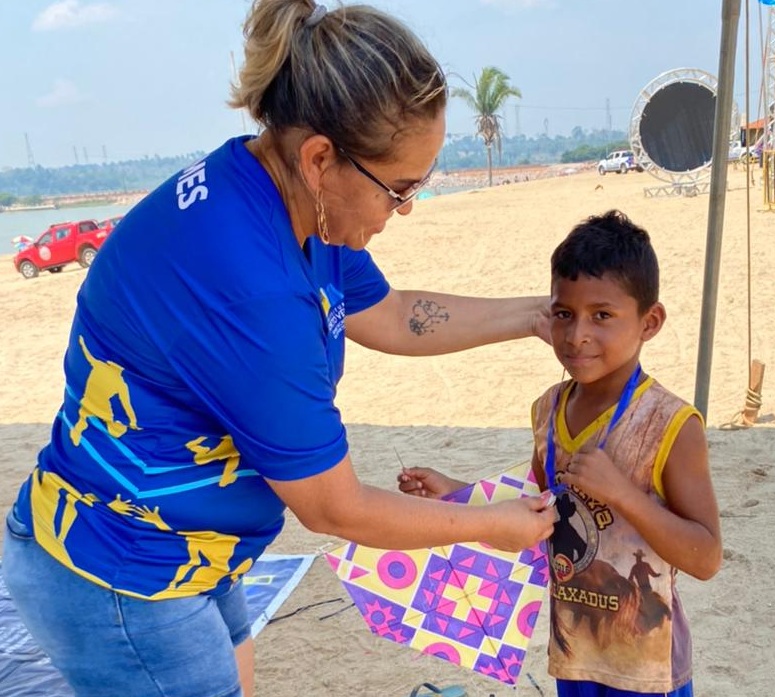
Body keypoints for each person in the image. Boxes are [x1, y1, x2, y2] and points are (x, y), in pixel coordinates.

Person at [1, 3, 556, 696]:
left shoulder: (283, 195)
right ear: (321, 157)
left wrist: (538, 316)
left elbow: (386, 312)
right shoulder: (252, 287)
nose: (404, 209)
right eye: (400, 189)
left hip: (189, 545)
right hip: (122, 570)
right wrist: (486, 525)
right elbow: (334, 506)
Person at [399, 210, 722, 697]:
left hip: (647, 666)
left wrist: (624, 495)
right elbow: (537, 512)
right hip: (576, 653)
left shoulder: (672, 426)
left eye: (603, 316)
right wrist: (458, 493)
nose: (577, 336)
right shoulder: (549, 409)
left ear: (649, 322)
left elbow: (706, 557)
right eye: (563, 314)